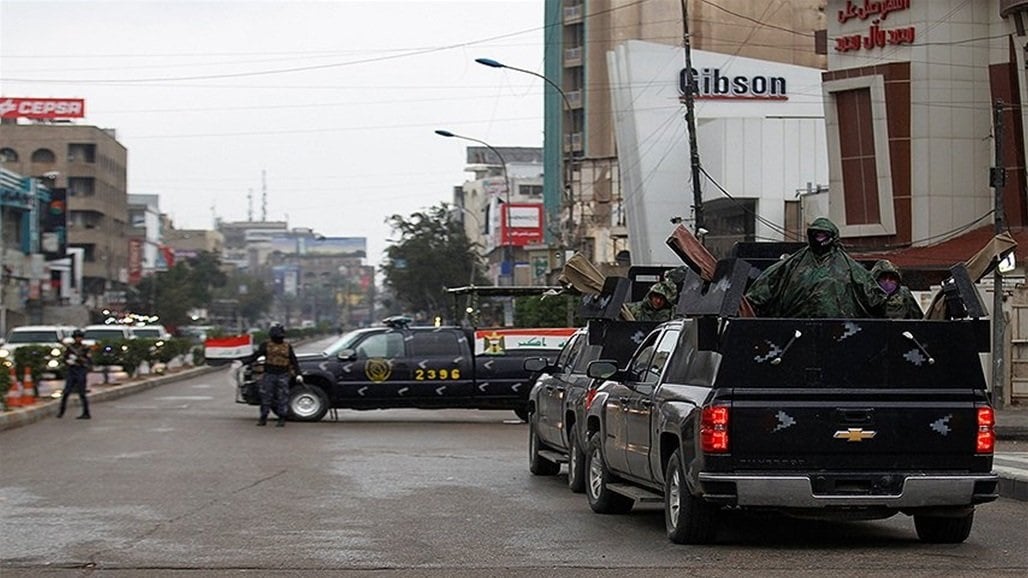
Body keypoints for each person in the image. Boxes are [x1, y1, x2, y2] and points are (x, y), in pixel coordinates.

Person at [745, 217, 886, 318]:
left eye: (824, 234)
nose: (820, 238)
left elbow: (873, 296)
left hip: (837, 330)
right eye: (817, 234)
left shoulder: (849, 267)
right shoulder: (794, 263)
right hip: (796, 328)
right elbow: (768, 282)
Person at [246, 323, 301, 427]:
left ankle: (281, 418)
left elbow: (293, 360)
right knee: (266, 397)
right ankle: (263, 417)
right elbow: (256, 356)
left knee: (282, 397)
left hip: (283, 374)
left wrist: (298, 373)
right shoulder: (266, 345)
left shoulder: (287, 346)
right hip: (269, 374)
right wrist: (244, 362)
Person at [57, 329, 92, 419]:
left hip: (81, 370)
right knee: (66, 392)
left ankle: (86, 412)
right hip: (72, 370)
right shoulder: (70, 348)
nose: (78, 339)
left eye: (80, 337)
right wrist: (69, 361)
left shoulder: (85, 348)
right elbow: (64, 359)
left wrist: (80, 360)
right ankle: (61, 412)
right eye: (76, 338)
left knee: (82, 393)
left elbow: (88, 361)